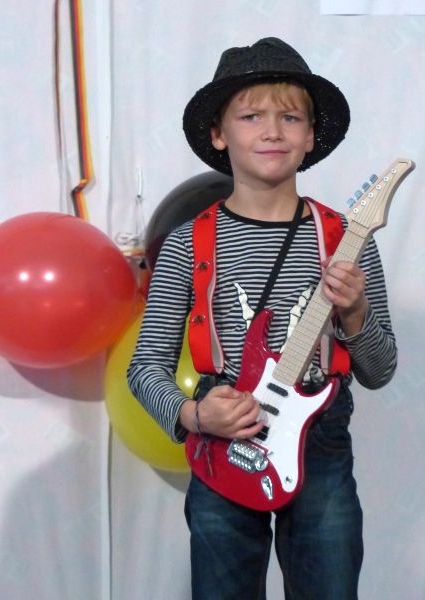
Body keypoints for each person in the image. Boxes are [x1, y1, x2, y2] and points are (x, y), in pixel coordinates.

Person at [127, 37, 397, 600]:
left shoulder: (346, 241)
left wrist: (356, 311)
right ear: (219, 135)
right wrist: (194, 414)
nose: (272, 131)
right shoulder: (187, 244)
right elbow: (145, 365)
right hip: (224, 437)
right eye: (251, 117)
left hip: (320, 441)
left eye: (289, 118)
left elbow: (380, 370)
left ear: (310, 136)